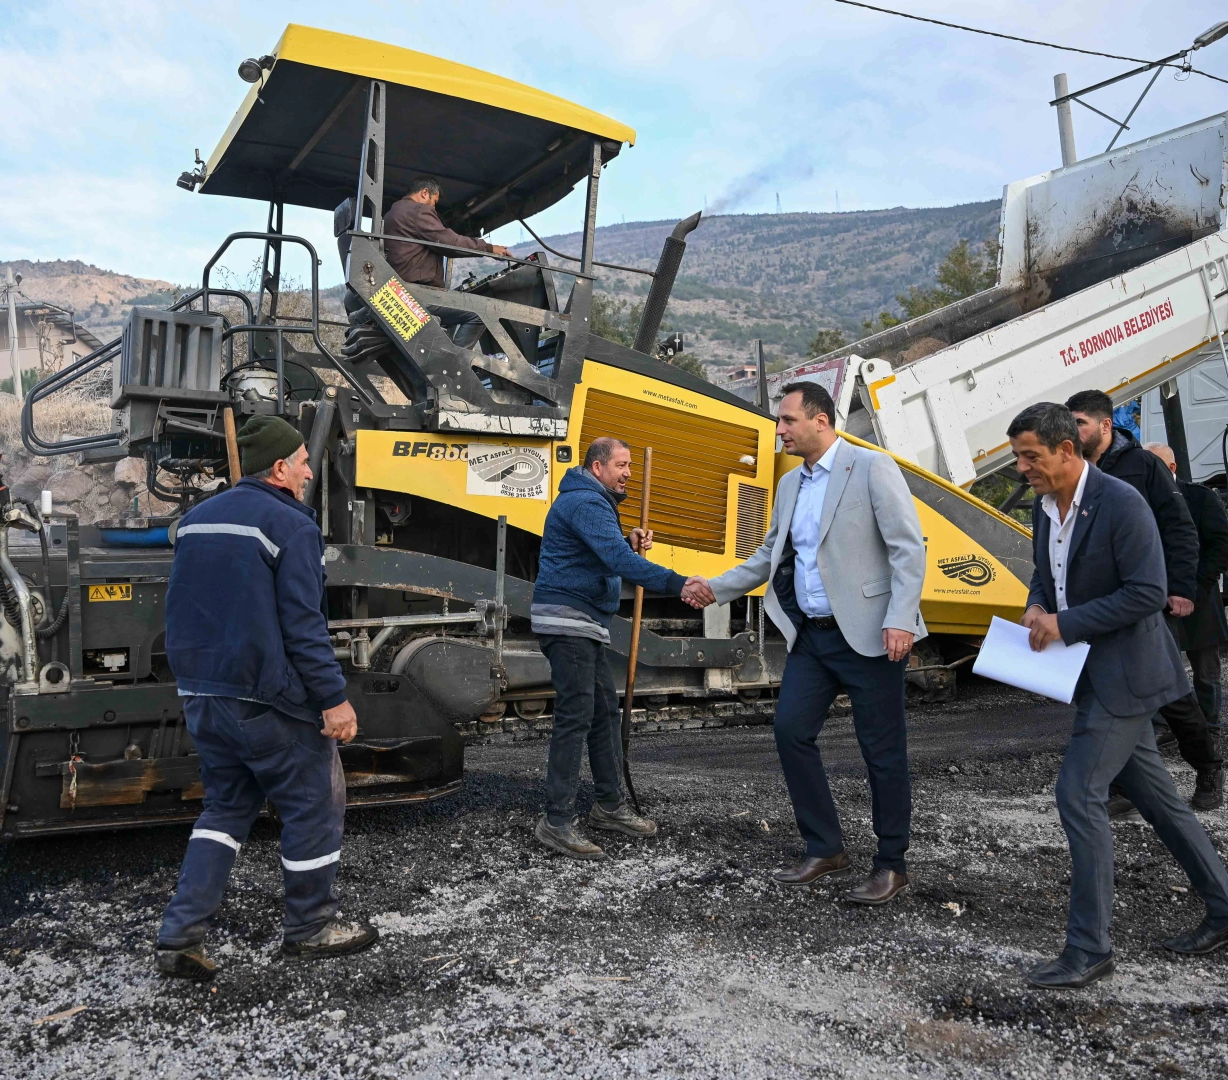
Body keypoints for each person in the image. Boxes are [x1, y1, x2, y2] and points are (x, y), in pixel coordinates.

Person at [1009, 402, 1228, 989]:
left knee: (1078, 794)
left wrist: (1065, 624)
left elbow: (1147, 592)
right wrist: (1037, 604)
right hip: (1091, 674)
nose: (1022, 468)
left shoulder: (1121, 502)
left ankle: (1088, 948)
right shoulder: (1045, 506)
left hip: (1127, 677)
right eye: (1017, 457)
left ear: (1065, 450)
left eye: (1030, 457)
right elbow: (1047, 573)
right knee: (1160, 800)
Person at [155, 415, 374, 980]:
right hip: (264, 699)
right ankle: (310, 926)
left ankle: (180, 935)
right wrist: (333, 698)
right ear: (279, 468)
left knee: (225, 809)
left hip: (202, 693)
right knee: (314, 803)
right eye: (302, 462)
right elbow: (304, 625)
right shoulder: (291, 525)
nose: (308, 473)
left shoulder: (195, 521)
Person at [698, 381, 926, 906]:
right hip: (813, 636)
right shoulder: (789, 485)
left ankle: (892, 865)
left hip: (871, 633)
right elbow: (769, 556)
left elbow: (907, 547)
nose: (779, 430)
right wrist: (714, 587)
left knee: (882, 752)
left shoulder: (871, 468)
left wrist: (901, 619)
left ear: (820, 420)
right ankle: (825, 848)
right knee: (790, 731)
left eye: (787, 420)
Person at [530, 436, 704, 860]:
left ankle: (608, 805)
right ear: (598, 467)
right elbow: (618, 562)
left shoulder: (589, 501)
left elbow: (599, 552)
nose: (628, 473)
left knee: (603, 713)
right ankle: (556, 821)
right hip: (569, 621)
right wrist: (679, 583)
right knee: (576, 716)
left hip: (583, 622)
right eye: (621, 465)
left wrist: (624, 541)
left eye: (629, 465)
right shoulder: (587, 502)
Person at [1066, 391, 1220, 814]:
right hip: (1094, 606)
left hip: (1142, 599)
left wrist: (1181, 588)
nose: (1073, 431)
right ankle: (1124, 786)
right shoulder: (1071, 470)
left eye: (1080, 422)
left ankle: (1208, 768)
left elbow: (1179, 528)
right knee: (1107, 693)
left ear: (1105, 425)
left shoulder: (1143, 466)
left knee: (1170, 694)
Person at [1145, 443, 1228, 734]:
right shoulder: (1139, 499)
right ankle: (1164, 728)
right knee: (1159, 668)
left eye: (1154, 466)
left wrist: (1192, 589)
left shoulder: (1200, 497)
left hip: (1199, 598)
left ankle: (1209, 727)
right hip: (1156, 599)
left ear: (1172, 467)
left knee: (1206, 670)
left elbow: (1222, 547)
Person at [382, 175, 512, 347]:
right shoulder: (418, 211)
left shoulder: (391, 214)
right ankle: (457, 361)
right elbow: (449, 242)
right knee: (481, 313)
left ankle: (449, 355)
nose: (434, 208)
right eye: (434, 202)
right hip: (417, 293)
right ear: (425, 193)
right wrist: (488, 248)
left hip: (400, 291)